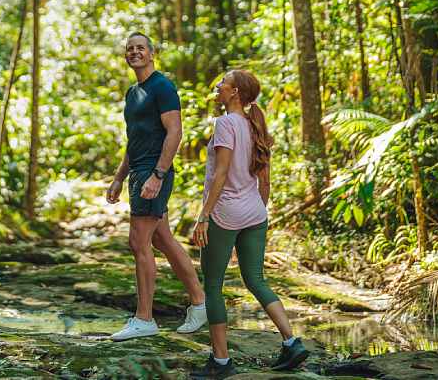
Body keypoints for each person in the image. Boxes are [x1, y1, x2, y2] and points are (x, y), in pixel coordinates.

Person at [189, 70, 308, 378]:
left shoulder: (226, 123)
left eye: (223, 83)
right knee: (256, 279)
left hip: (225, 214)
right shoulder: (255, 126)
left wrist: (204, 216)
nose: (217, 85)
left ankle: (221, 361)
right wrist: (254, 210)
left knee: (213, 285)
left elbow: (222, 173)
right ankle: (292, 341)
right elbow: (265, 182)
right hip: (255, 213)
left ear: (235, 93)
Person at [105, 32, 208, 341]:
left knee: (138, 243)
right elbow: (133, 140)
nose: (135, 52)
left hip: (153, 174)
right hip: (138, 172)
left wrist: (158, 175)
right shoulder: (133, 92)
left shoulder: (163, 87)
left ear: (151, 53)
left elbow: (175, 132)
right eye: (130, 49)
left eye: (140, 48)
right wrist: (119, 177)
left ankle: (144, 318)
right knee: (161, 240)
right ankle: (201, 303)